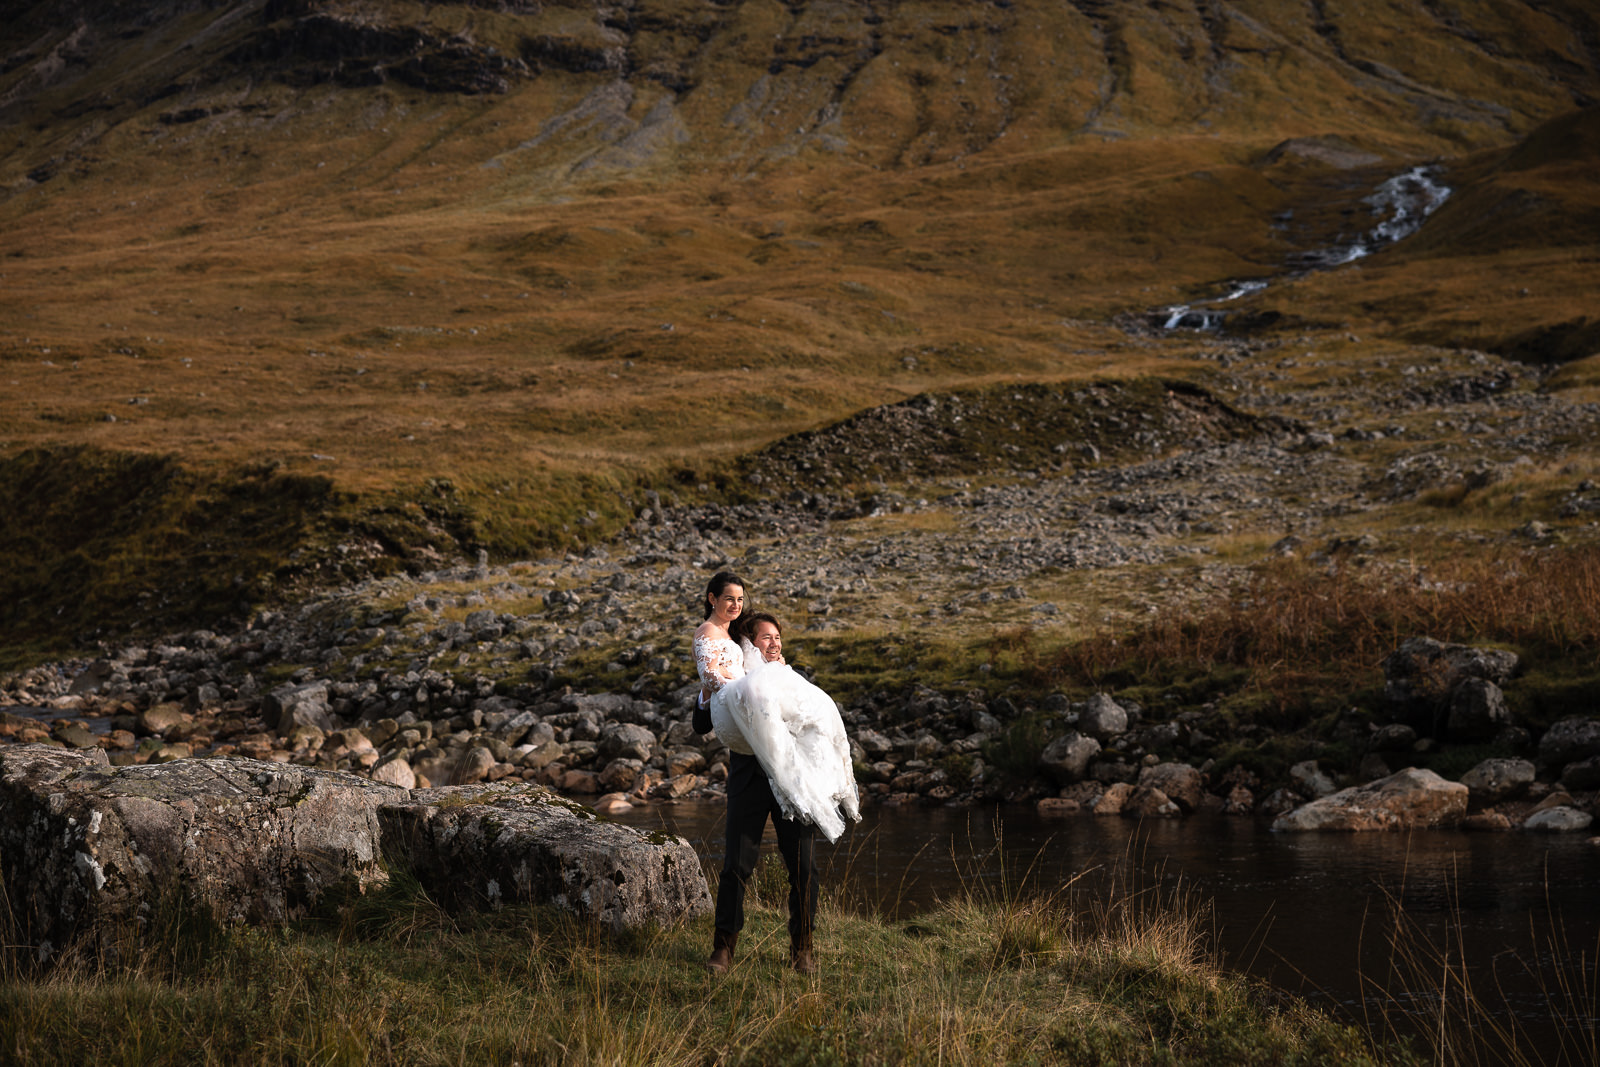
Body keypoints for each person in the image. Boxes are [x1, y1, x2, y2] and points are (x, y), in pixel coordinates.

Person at [690, 575, 859, 976]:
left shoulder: (788, 680)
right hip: (749, 778)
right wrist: (710, 691)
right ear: (750, 644)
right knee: (735, 865)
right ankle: (723, 950)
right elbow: (700, 723)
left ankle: (803, 952)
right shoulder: (740, 679)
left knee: (804, 868)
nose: (774, 644)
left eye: (778, 638)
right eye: (765, 638)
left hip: (792, 783)